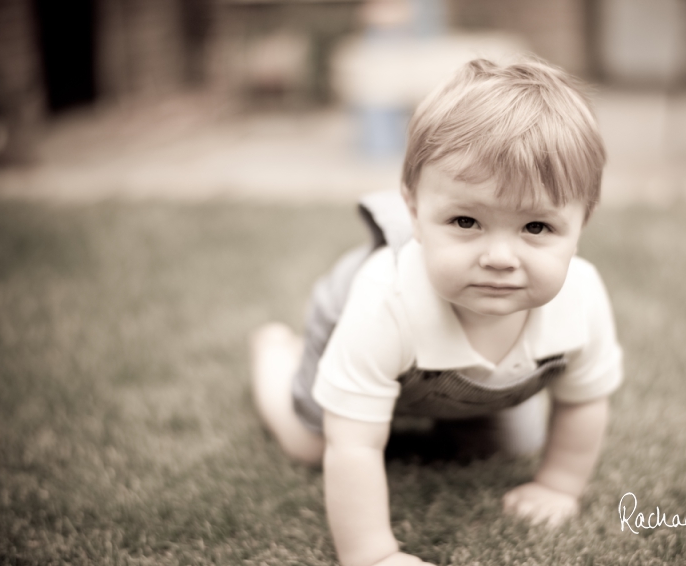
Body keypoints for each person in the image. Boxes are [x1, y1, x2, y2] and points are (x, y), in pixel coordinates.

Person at [251, 57, 623, 566]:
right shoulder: (386, 299)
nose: (499, 257)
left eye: (536, 228)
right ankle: (274, 354)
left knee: (507, 446)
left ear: (583, 222)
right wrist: (373, 555)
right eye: (466, 220)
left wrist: (559, 486)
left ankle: (455, 415)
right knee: (311, 444)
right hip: (359, 334)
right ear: (414, 211)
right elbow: (353, 445)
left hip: (463, 380)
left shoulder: (582, 297)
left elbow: (584, 401)